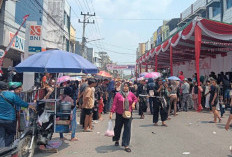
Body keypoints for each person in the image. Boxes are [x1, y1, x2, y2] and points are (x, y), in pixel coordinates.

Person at [0, 81, 36, 147]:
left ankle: (1, 150)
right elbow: (20, 103)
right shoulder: (11, 95)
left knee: (1, 136)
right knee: (11, 134)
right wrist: (30, 106)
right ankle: (7, 149)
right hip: (10, 119)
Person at [109, 82, 137, 153]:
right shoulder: (118, 95)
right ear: (122, 87)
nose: (125, 88)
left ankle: (126, 145)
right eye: (124, 86)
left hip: (128, 114)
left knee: (127, 128)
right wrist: (112, 112)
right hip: (119, 114)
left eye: (127, 86)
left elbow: (135, 99)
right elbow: (114, 104)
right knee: (118, 127)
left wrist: (133, 103)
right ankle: (117, 139)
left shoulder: (131, 94)